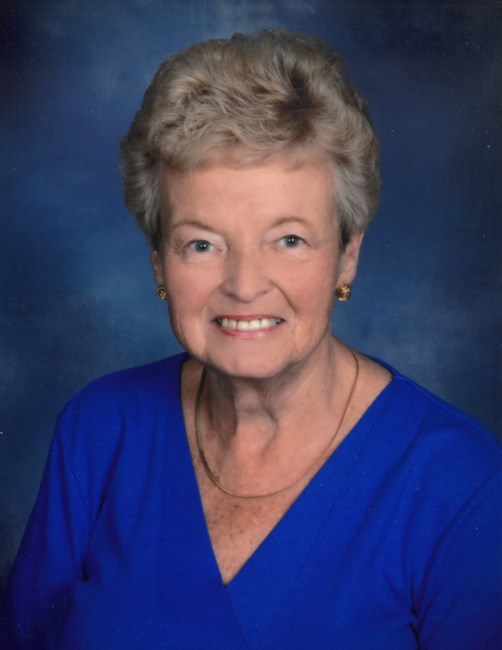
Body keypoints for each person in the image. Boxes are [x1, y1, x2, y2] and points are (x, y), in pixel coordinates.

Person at [1, 28, 500, 649]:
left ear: (346, 256)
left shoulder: (459, 485)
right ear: (160, 264)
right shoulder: (98, 431)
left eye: (288, 239)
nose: (243, 285)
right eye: (202, 244)